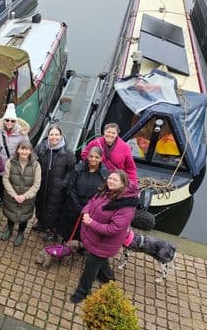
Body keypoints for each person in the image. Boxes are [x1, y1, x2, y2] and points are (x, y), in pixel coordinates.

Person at [70, 170, 138, 304]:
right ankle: (108, 279)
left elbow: (114, 228)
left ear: (123, 184)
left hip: (103, 243)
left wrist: (91, 223)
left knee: (90, 268)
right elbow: (91, 202)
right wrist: (85, 212)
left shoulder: (126, 206)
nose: (110, 181)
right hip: (95, 239)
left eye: (115, 180)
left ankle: (82, 292)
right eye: (110, 178)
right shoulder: (105, 191)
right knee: (100, 260)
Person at [34, 125, 76, 241]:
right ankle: (41, 222)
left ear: (61, 136)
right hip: (42, 184)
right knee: (40, 204)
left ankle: (52, 230)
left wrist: (64, 183)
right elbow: (33, 162)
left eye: (56, 134)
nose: (54, 137)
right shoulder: (40, 148)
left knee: (54, 209)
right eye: (51, 134)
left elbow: (71, 170)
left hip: (58, 188)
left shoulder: (68, 153)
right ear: (48, 136)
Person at [59, 146, 109, 241]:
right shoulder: (78, 169)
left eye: (96, 157)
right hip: (73, 206)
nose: (93, 159)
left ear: (101, 159)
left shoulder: (105, 175)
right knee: (69, 226)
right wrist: (77, 206)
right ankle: (67, 240)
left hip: (91, 209)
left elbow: (102, 194)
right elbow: (71, 187)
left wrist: (88, 208)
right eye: (91, 156)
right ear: (87, 156)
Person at [1, 141, 42, 246]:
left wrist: (25, 196)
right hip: (11, 197)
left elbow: (37, 184)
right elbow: (5, 179)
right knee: (10, 214)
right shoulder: (10, 162)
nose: (24, 151)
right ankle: (9, 229)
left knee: (24, 217)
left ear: (30, 151)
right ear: (18, 150)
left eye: (27, 149)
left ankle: (20, 233)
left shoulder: (36, 165)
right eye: (22, 149)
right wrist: (14, 195)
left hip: (27, 199)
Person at [0, 103, 30, 209]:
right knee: (0, 183)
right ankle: (1, 200)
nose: (9, 122)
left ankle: (9, 201)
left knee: (11, 184)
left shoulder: (21, 133)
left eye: (12, 121)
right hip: (0, 163)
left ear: (15, 121)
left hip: (13, 165)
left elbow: (27, 148)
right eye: (7, 120)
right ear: (4, 120)